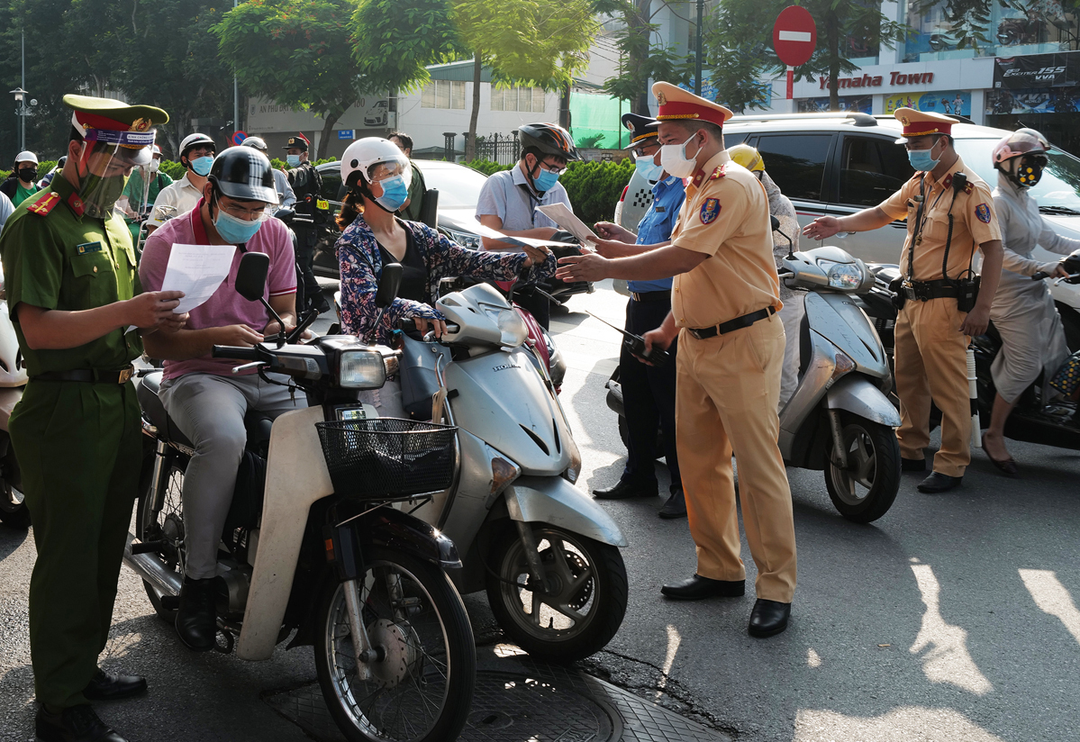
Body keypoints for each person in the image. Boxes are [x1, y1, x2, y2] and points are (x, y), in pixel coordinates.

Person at [556, 82, 796, 639]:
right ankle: (720, 568)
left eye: (667, 138)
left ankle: (776, 588)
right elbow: (695, 269)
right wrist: (663, 326)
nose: (659, 148)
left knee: (757, 469)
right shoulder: (698, 186)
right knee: (699, 461)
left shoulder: (730, 184)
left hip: (743, 341)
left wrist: (607, 266)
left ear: (700, 138)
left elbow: (685, 256)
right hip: (696, 341)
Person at [0, 93, 185, 742]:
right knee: (68, 558)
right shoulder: (37, 222)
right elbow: (39, 329)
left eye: (132, 163)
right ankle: (58, 703)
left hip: (116, 399)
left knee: (106, 548)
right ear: (79, 150)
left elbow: (123, 320)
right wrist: (128, 314)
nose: (122, 173)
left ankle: (83, 667)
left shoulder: (115, 225)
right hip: (63, 407)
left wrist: (162, 320)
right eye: (114, 160)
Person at [139, 146, 303, 653]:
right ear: (210, 194)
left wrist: (272, 330)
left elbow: (287, 312)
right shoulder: (167, 243)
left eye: (257, 210)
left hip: (265, 367)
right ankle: (200, 583)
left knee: (329, 431)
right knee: (224, 438)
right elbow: (155, 344)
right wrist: (214, 339)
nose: (248, 219)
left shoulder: (275, 235)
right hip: (197, 373)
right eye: (237, 208)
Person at [804, 108, 1003, 494]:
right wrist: (840, 224)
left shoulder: (970, 191)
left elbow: (993, 251)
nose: (911, 150)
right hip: (910, 299)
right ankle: (910, 448)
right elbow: (883, 212)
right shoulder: (920, 183)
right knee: (908, 381)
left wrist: (982, 308)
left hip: (945, 303)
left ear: (941, 143)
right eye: (908, 144)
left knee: (949, 389)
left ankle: (952, 463)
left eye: (917, 143)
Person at [336, 138, 556, 412]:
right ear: (360, 183)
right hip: (379, 364)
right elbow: (365, 300)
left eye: (399, 172)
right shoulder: (353, 242)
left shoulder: (420, 234)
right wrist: (414, 309)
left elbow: (469, 260)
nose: (397, 180)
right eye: (387, 173)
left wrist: (524, 261)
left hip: (427, 353)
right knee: (394, 432)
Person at [590, 113, 686, 519]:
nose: (643, 158)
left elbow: (675, 252)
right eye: (640, 151)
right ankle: (639, 474)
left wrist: (615, 257)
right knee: (637, 394)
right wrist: (624, 238)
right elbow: (653, 244)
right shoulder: (661, 188)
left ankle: (684, 488)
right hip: (640, 305)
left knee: (671, 401)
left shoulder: (687, 192)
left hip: (667, 308)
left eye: (647, 148)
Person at [981, 128, 1080, 474]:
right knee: (1026, 365)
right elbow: (997, 253)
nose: (1035, 169)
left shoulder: (1026, 201)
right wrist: (1041, 267)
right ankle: (994, 433)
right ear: (1006, 163)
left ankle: (1058, 420)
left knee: (1059, 356)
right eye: (1030, 162)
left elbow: (1051, 239)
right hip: (1007, 294)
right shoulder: (997, 203)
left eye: (1039, 164)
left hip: (1035, 289)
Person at [475, 122, 580, 329]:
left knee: (538, 343)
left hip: (535, 285)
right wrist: (539, 235)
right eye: (552, 168)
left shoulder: (557, 190)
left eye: (561, 170)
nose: (555, 174)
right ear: (530, 159)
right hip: (496, 284)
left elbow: (568, 232)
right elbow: (489, 240)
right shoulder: (499, 184)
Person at [728, 144, 803, 409]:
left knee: (783, 371)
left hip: (782, 297)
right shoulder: (734, 201)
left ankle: (783, 429)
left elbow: (778, 256)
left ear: (759, 176)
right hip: (746, 302)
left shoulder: (779, 207)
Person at [284, 134, 330, 314]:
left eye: (294, 152)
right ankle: (305, 304)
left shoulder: (306, 170)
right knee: (306, 266)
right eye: (289, 152)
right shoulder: (314, 171)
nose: (291, 155)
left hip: (303, 227)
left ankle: (319, 301)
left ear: (305, 154)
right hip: (307, 227)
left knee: (301, 266)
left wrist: (287, 175)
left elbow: (298, 175)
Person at [145, 132, 215, 234]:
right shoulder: (171, 195)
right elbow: (157, 232)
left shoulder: (221, 191)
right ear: (185, 160)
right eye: (198, 155)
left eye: (208, 155)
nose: (204, 159)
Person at [118, 143, 173, 244]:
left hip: (158, 221)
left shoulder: (164, 179)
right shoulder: (131, 176)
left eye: (157, 158)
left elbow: (172, 200)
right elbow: (123, 197)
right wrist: (130, 212)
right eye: (152, 157)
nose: (154, 161)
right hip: (136, 220)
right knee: (134, 234)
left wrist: (158, 217)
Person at [241, 136, 296, 209]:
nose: (255, 160)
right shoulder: (239, 177)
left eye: (258, 155)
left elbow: (291, 198)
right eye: (250, 156)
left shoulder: (277, 175)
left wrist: (280, 210)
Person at [387, 131, 427, 222]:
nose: (390, 150)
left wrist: (382, 217)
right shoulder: (413, 167)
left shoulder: (405, 170)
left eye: (395, 147)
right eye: (388, 146)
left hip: (402, 224)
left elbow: (404, 202)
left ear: (407, 151)